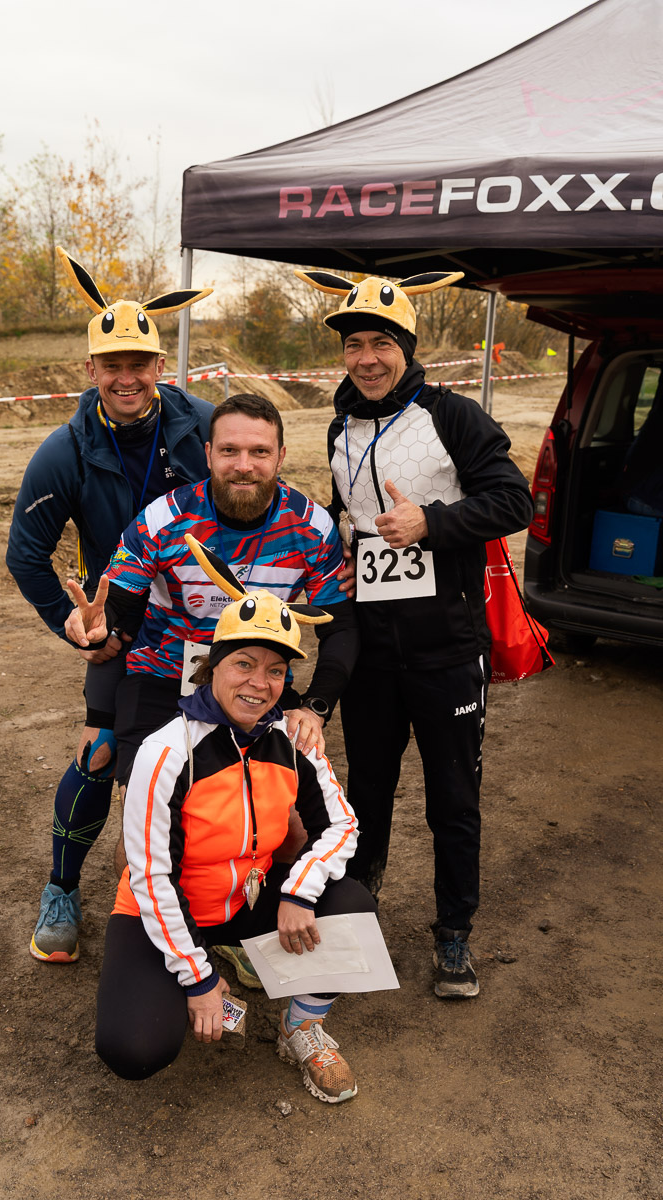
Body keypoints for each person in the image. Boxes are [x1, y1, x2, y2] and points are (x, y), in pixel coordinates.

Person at [296, 269, 535, 999]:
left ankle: (453, 935)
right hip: (372, 652)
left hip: (446, 650)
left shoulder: (453, 416)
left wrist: (432, 521)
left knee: (452, 803)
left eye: (381, 343)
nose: (366, 358)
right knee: (365, 795)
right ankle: (356, 916)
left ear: (407, 346)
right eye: (354, 345)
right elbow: (348, 517)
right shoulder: (338, 426)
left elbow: (514, 501)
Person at [64, 393, 358, 979]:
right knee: (147, 829)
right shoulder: (163, 519)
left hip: (255, 682)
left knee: (291, 825)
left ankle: (250, 925)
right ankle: (173, 944)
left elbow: (342, 628)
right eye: (229, 451)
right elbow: (119, 611)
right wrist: (99, 629)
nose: (243, 465)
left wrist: (316, 707)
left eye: (259, 452)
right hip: (163, 679)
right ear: (207, 454)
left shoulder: (312, 526)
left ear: (280, 456)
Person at [94, 548, 377, 1103]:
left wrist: (298, 891)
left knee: (351, 904)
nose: (259, 683)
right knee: (133, 1049)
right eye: (244, 663)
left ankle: (300, 1027)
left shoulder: (292, 739)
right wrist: (197, 978)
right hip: (170, 910)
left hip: (248, 903)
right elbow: (152, 877)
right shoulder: (166, 751)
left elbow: (342, 826)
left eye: (276, 670)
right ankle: (193, 972)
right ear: (213, 664)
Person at [5, 246, 214, 964]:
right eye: (112, 364)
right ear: (91, 368)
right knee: (101, 753)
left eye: (140, 363)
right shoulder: (66, 450)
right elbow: (25, 556)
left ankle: (213, 898)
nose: (127, 377)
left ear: (161, 365)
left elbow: (254, 492)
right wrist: (74, 628)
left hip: (205, 625)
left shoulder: (204, 427)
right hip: (120, 629)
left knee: (217, 756)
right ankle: (62, 888)